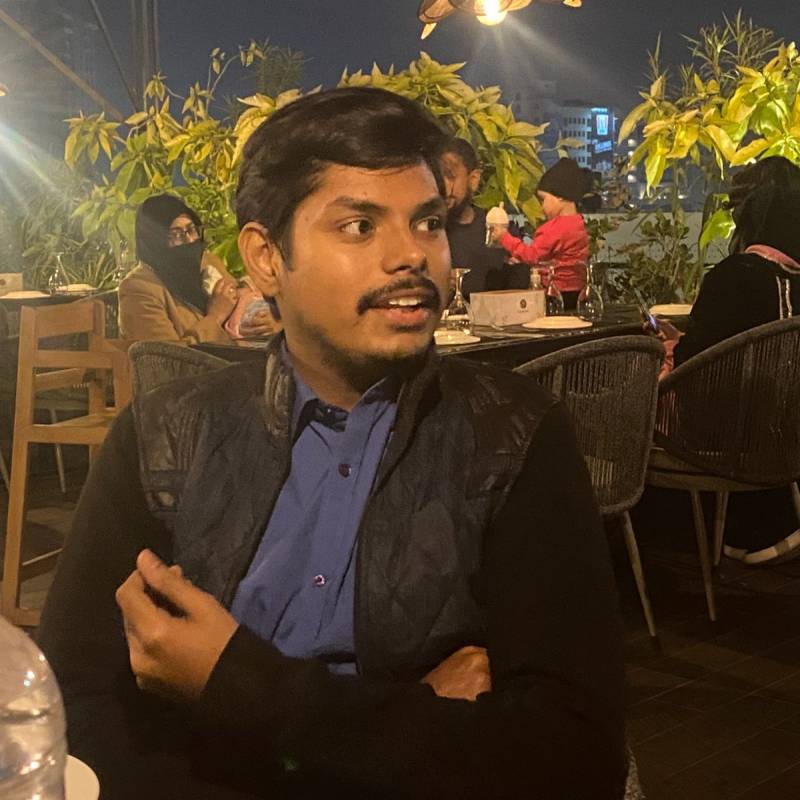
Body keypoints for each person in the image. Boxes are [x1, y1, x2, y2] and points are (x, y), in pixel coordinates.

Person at [37, 87, 626, 799]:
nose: (410, 255)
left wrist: (233, 685)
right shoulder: (165, 436)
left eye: (428, 222)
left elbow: (575, 757)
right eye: (359, 226)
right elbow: (73, 707)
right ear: (265, 258)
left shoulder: (514, 436)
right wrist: (410, 718)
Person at [667, 183, 800, 565]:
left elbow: (697, 359)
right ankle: (745, 529)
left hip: (723, 432)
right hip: (786, 428)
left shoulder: (733, 274)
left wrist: (674, 347)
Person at [118, 194, 277, 344]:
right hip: (209, 365)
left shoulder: (207, 262)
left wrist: (268, 321)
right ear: (155, 242)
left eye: (191, 230)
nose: (189, 240)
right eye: (176, 234)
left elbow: (240, 302)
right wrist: (215, 317)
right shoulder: (139, 289)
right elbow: (162, 358)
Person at [490, 157, 590, 310]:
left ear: (559, 196)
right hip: (577, 291)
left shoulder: (554, 229)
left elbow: (533, 255)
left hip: (555, 292)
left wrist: (504, 237)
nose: (542, 206)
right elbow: (557, 258)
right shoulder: (578, 224)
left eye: (543, 199)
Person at [437, 137, 525, 298]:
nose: (442, 186)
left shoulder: (499, 230)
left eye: (449, 176)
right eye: (436, 177)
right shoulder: (425, 233)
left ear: (473, 180)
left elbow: (521, 295)